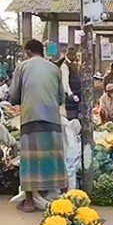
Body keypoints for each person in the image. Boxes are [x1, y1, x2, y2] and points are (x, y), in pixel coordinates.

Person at [9, 39, 66, 212]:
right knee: (53, 157)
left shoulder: (22, 66)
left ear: (27, 52)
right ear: (42, 51)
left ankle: (29, 202)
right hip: (52, 117)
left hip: (30, 117)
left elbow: (13, 97)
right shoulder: (55, 68)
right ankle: (62, 197)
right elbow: (61, 98)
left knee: (30, 160)